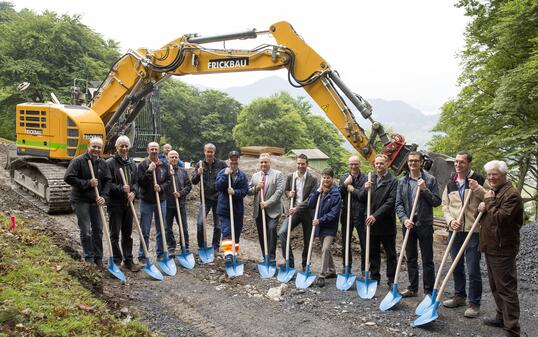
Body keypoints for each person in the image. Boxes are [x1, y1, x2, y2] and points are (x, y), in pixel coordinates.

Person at [478, 160, 523, 337]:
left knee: (506, 288)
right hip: (492, 246)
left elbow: (502, 219)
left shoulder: (511, 194)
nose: (491, 178)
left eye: (494, 174)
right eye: (489, 175)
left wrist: (488, 203)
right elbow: (487, 217)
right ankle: (501, 317)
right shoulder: (495, 192)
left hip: (503, 247)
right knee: (495, 286)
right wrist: (482, 206)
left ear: (504, 175)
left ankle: (512, 329)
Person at [441, 151, 485, 318]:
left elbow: (489, 198)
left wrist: (478, 189)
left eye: (462, 162)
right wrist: (450, 221)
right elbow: (445, 205)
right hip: (455, 230)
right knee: (456, 265)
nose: (458, 165)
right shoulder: (451, 182)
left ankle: (474, 303)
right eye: (456, 162)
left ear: (469, 164)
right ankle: (459, 296)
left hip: (473, 230)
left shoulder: (479, 180)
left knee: (473, 267)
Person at [395, 151, 441, 297]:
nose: (412, 163)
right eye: (410, 161)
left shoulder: (430, 179)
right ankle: (412, 288)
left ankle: (428, 291)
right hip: (408, 224)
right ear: (407, 163)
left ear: (421, 162)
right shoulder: (402, 182)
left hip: (425, 224)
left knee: (427, 259)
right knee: (411, 257)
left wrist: (424, 190)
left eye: (416, 161)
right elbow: (398, 204)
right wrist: (404, 219)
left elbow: (436, 202)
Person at [64, 137, 111, 268]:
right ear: (88, 146)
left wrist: (104, 196)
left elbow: (108, 181)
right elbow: (68, 177)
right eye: (94, 146)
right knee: (86, 230)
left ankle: (98, 257)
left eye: (99, 147)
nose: (96, 149)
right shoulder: (78, 161)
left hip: (96, 200)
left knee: (98, 230)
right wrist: (87, 183)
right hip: (81, 200)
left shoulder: (102, 163)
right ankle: (89, 257)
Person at [358, 154, 398, 287]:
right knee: (373, 252)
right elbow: (363, 199)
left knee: (390, 254)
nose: (379, 166)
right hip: (371, 224)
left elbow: (390, 202)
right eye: (377, 163)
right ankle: (375, 277)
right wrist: (365, 189)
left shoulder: (393, 181)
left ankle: (392, 279)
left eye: (381, 163)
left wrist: (375, 215)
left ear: (387, 164)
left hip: (386, 224)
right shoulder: (370, 179)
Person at [278, 154, 319, 270]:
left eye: (303, 164)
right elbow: (286, 190)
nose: (300, 166)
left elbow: (311, 198)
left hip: (307, 212)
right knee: (282, 232)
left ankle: (305, 265)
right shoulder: (291, 177)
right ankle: (289, 262)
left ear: (307, 164)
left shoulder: (313, 179)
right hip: (294, 212)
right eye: (299, 163)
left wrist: (298, 208)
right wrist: (288, 194)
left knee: (308, 240)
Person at [105, 136, 139, 272]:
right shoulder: (109, 163)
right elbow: (107, 184)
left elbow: (136, 183)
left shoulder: (131, 164)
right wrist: (120, 188)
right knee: (114, 234)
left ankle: (128, 260)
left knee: (127, 233)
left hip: (128, 203)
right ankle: (117, 260)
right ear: (116, 147)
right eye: (121, 146)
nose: (124, 149)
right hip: (115, 203)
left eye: (126, 146)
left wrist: (134, 192)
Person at [307, 167, 342, 287]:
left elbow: (334, 214)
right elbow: (310, 204)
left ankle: (322, 275)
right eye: (324, 177)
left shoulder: (336, 194)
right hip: (320, 226)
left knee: (325, 249)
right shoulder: (319, 191)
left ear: (332, 178)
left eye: (328, 178)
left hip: (329, 227)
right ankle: (332, 271)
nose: (326, 180)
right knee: (325, 249)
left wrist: (320, 220)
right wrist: (317, 192)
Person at [136, 141, 171, 262]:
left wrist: (161, 187)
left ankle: (160, 253)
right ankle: (142, 255)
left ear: (159, 150)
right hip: (146, 201)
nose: (154, 151)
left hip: (160, 201)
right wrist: (149, 171)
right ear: (148, 150)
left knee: (161, 228)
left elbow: (169, 181)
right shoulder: (142, 165)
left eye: (156, 149)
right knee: (145, 229)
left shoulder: (164, 165)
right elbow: (140, 182)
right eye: (152, 149)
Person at [248, 153, 284, 264]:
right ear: (259, 163)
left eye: (266, 162)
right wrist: (256, 188)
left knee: (272, 230)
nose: (263, 164)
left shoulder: (278, 174)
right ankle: (266, 257)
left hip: (273, 210)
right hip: (259, 211)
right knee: (261, 234)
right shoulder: (255, 176)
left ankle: (272, 258)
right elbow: (248, 191)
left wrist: (267, 203)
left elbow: (279, 192)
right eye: (262, 162)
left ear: (270, 163)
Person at [191, 143, 227, 251]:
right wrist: (198, 174)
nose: (209, 153)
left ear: (214, 152)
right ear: (204, 152)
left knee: (218, 225)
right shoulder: (200, 164)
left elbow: (228, 179)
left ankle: (215, 247)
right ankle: (202, 246)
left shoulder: (221, 164)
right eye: (207, 151)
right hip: (205, 199)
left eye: (211, 151)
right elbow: (193, 181)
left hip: (218, 199)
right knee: (200, 223)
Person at [215, 151, 249, 260]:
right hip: (224, 209)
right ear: (229, 161)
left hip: (237, 210)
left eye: (236, 160)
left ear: (238, 160)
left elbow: (244, 191)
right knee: (226, 231)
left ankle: (234, 253)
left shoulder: (242, 176)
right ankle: (228, 254)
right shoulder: (222, 173)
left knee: (237, 232)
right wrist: (226, 176)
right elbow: (218, 187)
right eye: (231, 160)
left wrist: (235, 192)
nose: (233, 162)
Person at [339, 156, 368, 273]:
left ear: (359, 164)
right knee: (345, 242)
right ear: (348, 165)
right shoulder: (343, 178)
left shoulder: (365, 178)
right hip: (346, 214)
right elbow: (338, 195)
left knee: (364, 242)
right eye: (351, 164)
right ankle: (347, 267)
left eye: (356, 164)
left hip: (360, 214)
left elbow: (363, 196)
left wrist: (352, 189)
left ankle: (364, 269)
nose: (354, 166)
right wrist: (345, 184)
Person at [165, 150, 192, 257]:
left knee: (183, 227)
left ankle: (185, 246)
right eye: (172, 157)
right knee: (168, 227)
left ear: (178, 158)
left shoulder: (183, 171)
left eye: (176, 157)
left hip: (180, 204)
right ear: (168, 158)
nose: (174, 159)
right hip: (167, 204)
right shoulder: (164, 170)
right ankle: (171, 247)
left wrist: (180, 193)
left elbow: (188, 186)